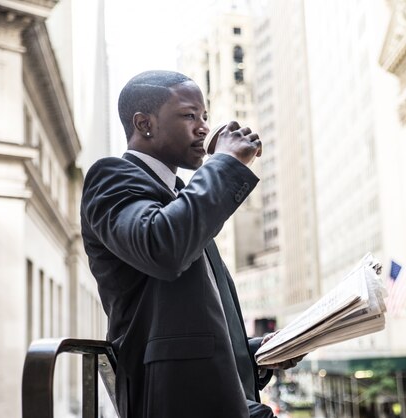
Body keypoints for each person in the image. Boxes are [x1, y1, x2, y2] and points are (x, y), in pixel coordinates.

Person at [81, 70, 299, 418]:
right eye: (188, 115)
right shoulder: (110, 177)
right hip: (172, 402)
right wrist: (224, 163)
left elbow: (195, 316)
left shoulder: (185, 196)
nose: (203, 128)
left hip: (223, 398)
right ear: (144, 123)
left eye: (205, 117)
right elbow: (162, 246)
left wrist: (255, 352)